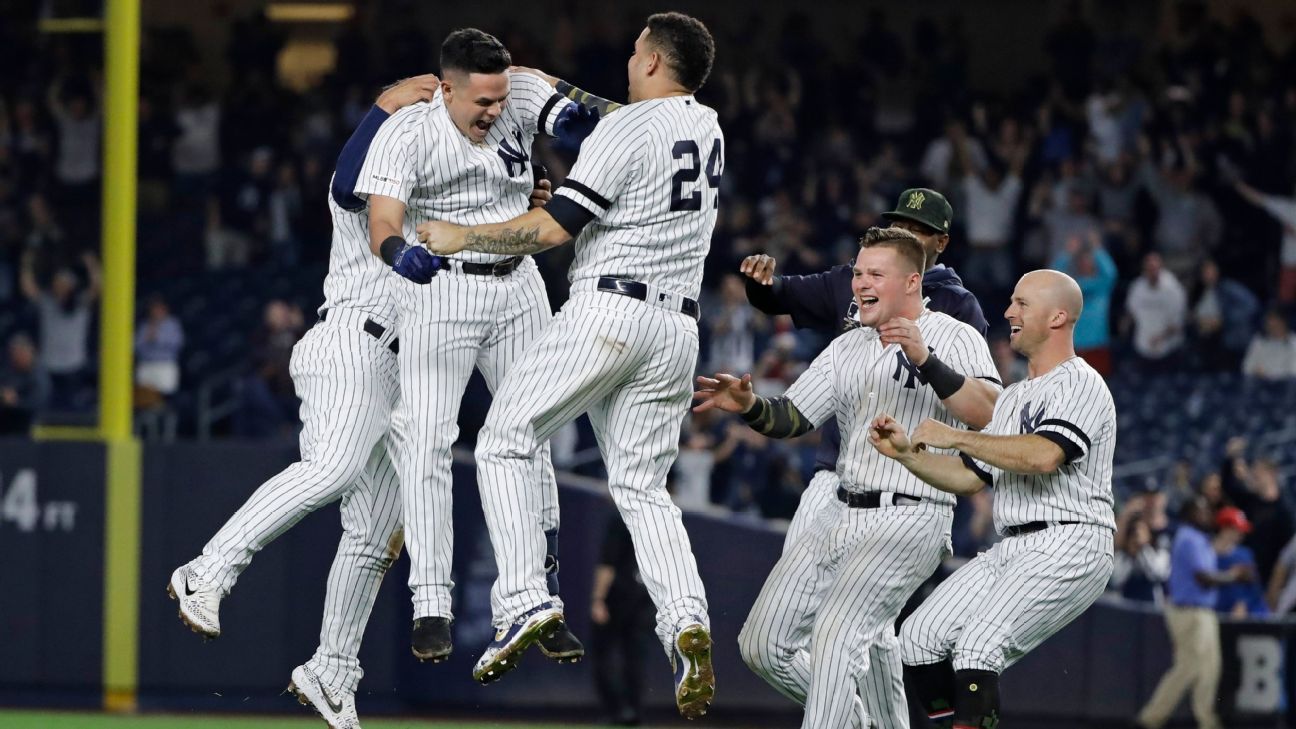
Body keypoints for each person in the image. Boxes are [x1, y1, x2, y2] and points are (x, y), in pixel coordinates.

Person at [418, 13, 721, 718]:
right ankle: (685, 618)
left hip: (609, 312)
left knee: (503, 437)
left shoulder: (624, 130)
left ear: (651, 61)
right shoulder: (706, 126)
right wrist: (550, 84)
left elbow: (552, 230)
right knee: (643, 487)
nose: (627, 56)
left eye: (635, 48)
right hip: (676, 329)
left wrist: (461, 234)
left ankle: (524, 598)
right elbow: (619, 118)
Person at [168, 76, 441, 729]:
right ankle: (208, 569)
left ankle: (332, 668)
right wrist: (384, 104)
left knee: (376, 537)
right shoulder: (371, 189)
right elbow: (345, 176)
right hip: (352, 343)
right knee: (333, 468)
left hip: (409, 373)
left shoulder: (447, 197)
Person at [353, 29, 610, 665]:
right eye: (481, 101)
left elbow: (589, 122)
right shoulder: (409, 132)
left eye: (500, 97)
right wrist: (395, 254)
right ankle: (430, 603)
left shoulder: (516, 90)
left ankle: (537, 600)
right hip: (440, 290)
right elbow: (381, 221)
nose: (494, 111)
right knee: (427, 438)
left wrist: (551, 95)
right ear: (446, 89)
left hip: (518, 283)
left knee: (532, 435)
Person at [698, 227, 999, 728]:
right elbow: (792, 417)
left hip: (910, 515)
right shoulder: (849, 345)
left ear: (910, 281)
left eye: (874, 274)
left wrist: (925, 359)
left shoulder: (953, 334)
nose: (860, 282)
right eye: (858, 272)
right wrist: (749, 405)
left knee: (836, 641)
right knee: (763, 646)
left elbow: (990, 413)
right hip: (838, 510)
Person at [869, 269, 1117, 729]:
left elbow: (1045, 454)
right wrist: (906, 455)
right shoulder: (1012, 397)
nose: (1009, 312)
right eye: (1011, 302)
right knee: (919, 639)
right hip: (1015, 544)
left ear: (1058, 316)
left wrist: (959, 437)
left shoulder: (1081, 383)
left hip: (1072, 540)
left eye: (1022, 303)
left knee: (978, 645)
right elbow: (969, 479)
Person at [1135, 498, 1251, 729]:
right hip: (1189, 612)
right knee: (1188, 667)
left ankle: (1207, 721)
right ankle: (1149, 719)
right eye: (1201, 510)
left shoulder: (1200, 540)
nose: (1207, 513)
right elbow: (1203, 578)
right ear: (1189, 513)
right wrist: (1233, 576)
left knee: (1210, 668)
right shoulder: (1188, 537)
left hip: (1203, 612)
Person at [591, 513, 656, 726]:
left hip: (618, 596)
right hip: (645, 596)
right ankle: (633, 710)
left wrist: (598, 599)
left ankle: (617, 710)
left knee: (604, 655)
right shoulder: (655, 518)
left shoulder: (621, 518)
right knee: (635, 658)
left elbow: (607, 563)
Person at [1124, 252, 1187, 373]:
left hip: (1169, 349)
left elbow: (1178, 323)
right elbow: (1131, 311)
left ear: (1161, 268)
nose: (1152, 272)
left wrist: (1161, 337)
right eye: (1149, 269)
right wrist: (1126, 322)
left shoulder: (1173, 289)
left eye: (1154, 268)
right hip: (1143, 347)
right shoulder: (1137, 287)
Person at [1213, 507, 1267, 617]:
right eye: (1236, 530)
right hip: (1216, 611)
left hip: (1248, 612)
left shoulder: (1244, 554)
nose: (1240, 535)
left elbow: (1254, 587)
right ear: (1224, 528)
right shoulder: (1205, 553)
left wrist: (1244, 603)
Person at [0, 333, 50, 434]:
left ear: (29, 352)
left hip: (28, 425)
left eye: (19, 354)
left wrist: (15, 402)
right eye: (13, 354)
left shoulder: (38, 376)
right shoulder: (8, 369)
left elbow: (36, 403)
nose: (16, 358)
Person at [1241, 309, 1296, 380]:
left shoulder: (1294, 342)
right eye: (1269, 324)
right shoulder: (1259, 341)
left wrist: (1268, 375)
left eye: (1276, 323)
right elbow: (1246, 368)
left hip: (1284, 386)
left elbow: (1293, 372)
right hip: (1259, 384)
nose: (1272, 327)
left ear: (1284, 323)